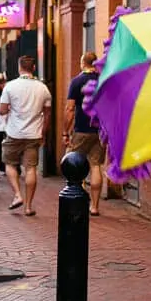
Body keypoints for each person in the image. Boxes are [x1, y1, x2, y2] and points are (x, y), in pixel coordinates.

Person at [0, 56, 51, 217]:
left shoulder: (10, 87)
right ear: (33, 68)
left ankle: (17, 194)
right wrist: (43, 133)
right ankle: (28, 206)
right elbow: (48, 114)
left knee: (9, 163)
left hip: (14, 132)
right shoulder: (43, 88)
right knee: (31, 168)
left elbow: (2, 110)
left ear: (20, 68)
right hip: (34, 134)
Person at [64, 52, 105, 215]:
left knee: (74, 164)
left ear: (82, 63)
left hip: (81, 129)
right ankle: (94, 206)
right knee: (96, 166)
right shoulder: (103, 80)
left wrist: (65, 132)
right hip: (100, 130)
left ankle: (77, 200)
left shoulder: (77, 81)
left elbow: (70, 108)